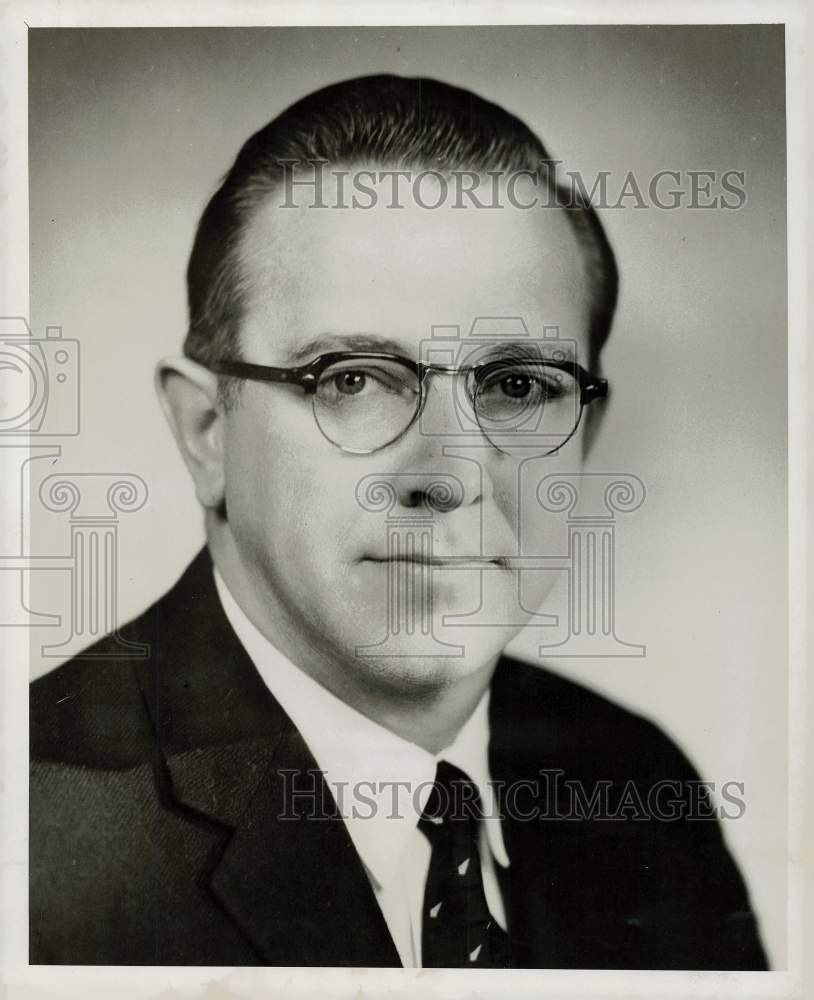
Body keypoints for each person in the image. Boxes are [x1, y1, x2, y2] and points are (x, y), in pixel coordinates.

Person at [29, 74, 768, 969]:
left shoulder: (636, 785)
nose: (452, 475)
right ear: (206, 431)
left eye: (518, 386)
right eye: (352, 379)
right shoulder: (36, 840)